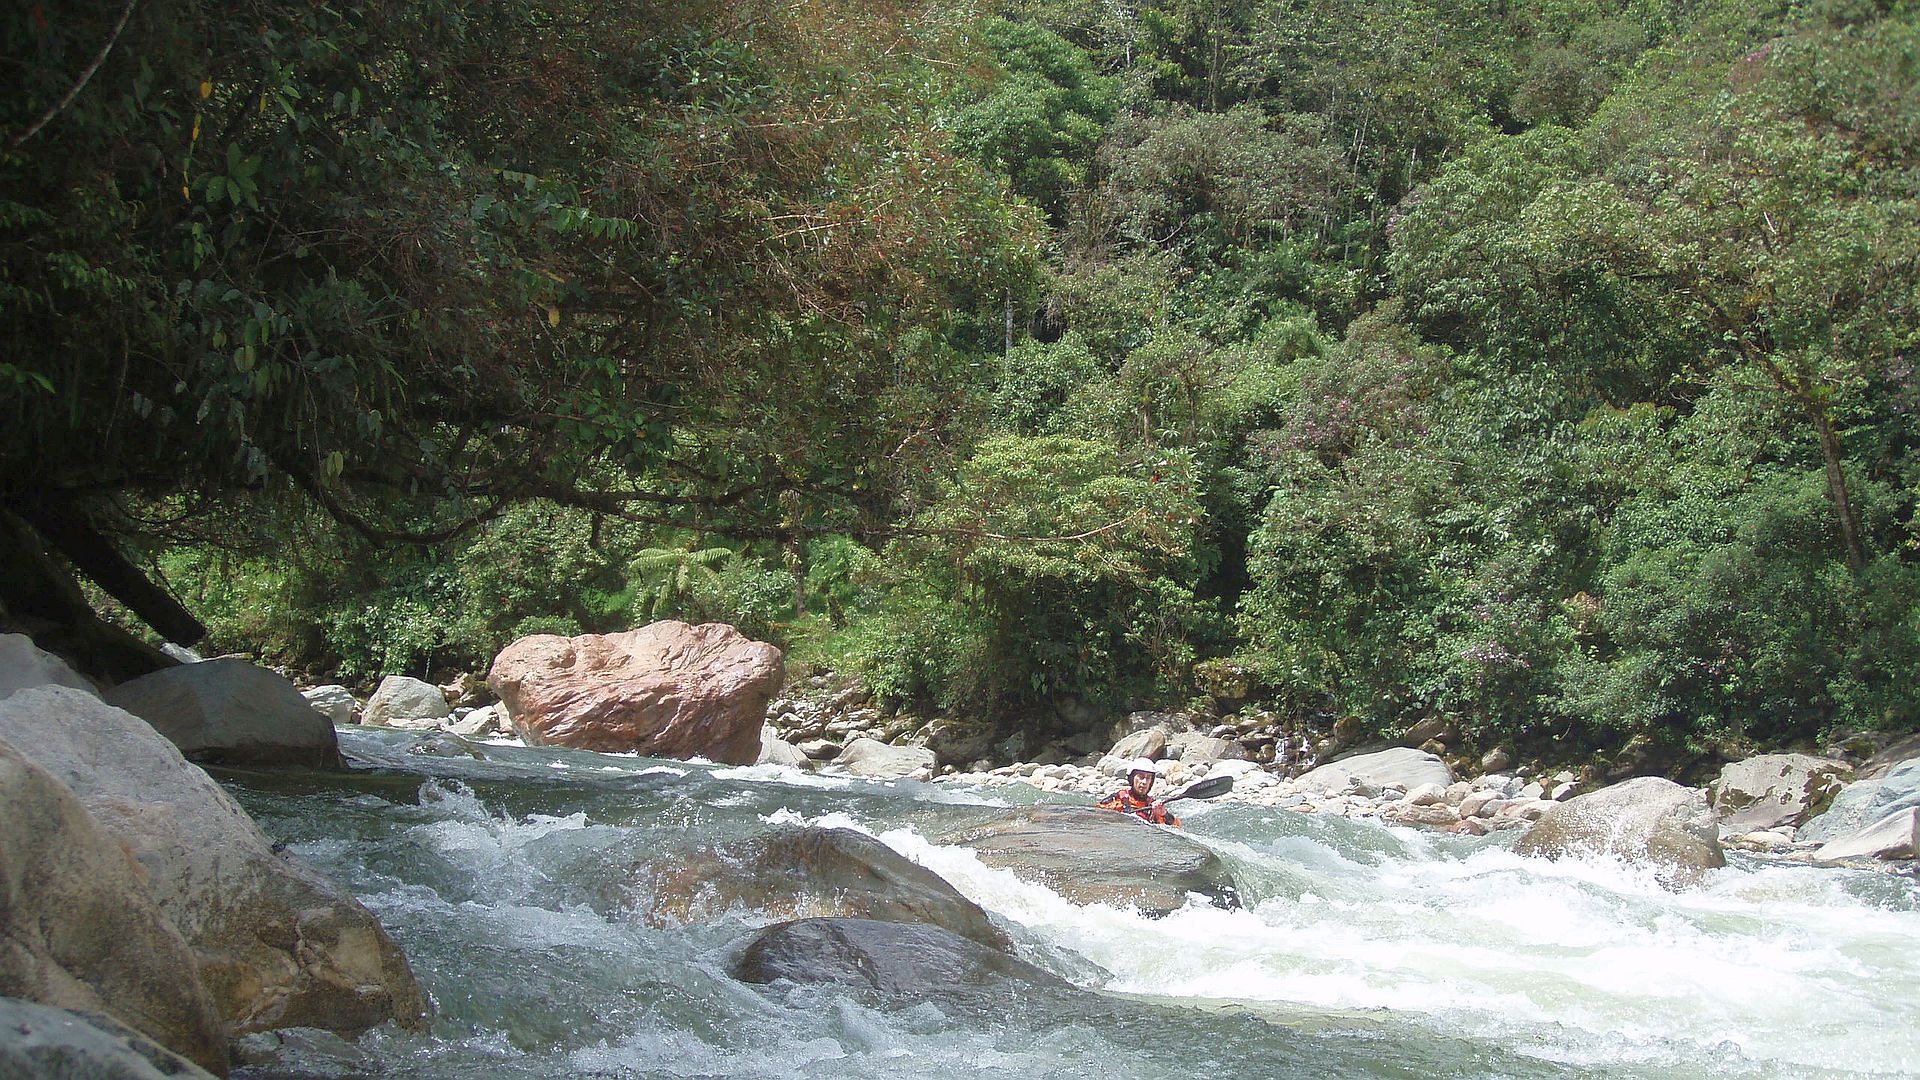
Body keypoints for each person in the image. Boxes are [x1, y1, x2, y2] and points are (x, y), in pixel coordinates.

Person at [1097, 757, 1180, 826]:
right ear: (1131, 778)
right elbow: (1095, 816)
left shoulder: (1154, 807)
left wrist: (1164, 814)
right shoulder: (1117, 800)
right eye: (1141, 777)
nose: (1144, 782)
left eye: (1148, 778)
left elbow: (1177, 827)